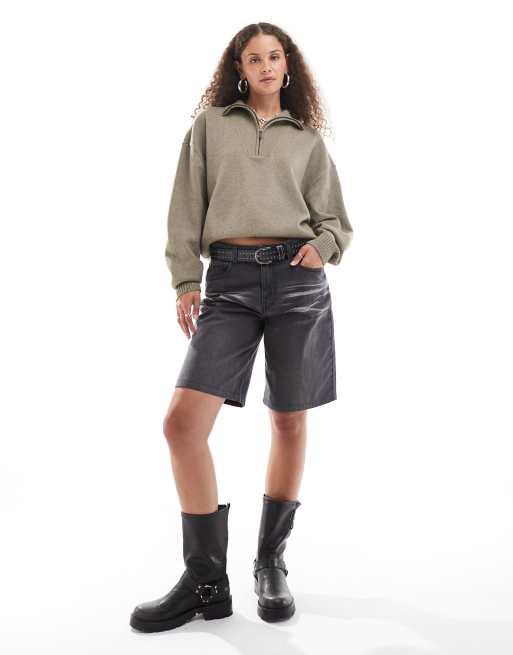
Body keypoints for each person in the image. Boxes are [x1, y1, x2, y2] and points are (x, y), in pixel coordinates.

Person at [129, 22, 353, 633]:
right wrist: (186, 280)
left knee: (288, 418)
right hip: (227, 282)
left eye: (274, 56)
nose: (266, 66)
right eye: (254, 58)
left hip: (296, 281)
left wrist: (321, 247)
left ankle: (270, 563)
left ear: (288, 65)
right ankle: (206, 583)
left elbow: (336, 221)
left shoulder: (306, 139)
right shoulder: (209, 127)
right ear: (238, 68)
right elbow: (185, 207)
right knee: (182, 425)